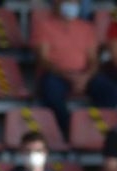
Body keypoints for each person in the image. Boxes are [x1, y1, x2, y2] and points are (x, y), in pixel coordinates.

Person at [31, 0, 98, 136]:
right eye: (67, 2)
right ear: (56, 4)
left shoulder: (86, 27)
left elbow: (93, 59)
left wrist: (85, 77)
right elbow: (43, 60)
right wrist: (68, 76)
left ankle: (94, 128)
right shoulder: (44, 26)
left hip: (83, 74)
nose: (71, 7)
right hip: (56, 74)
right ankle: (70, 130)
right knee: (50, 91)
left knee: (112, 91)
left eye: (75, 3)